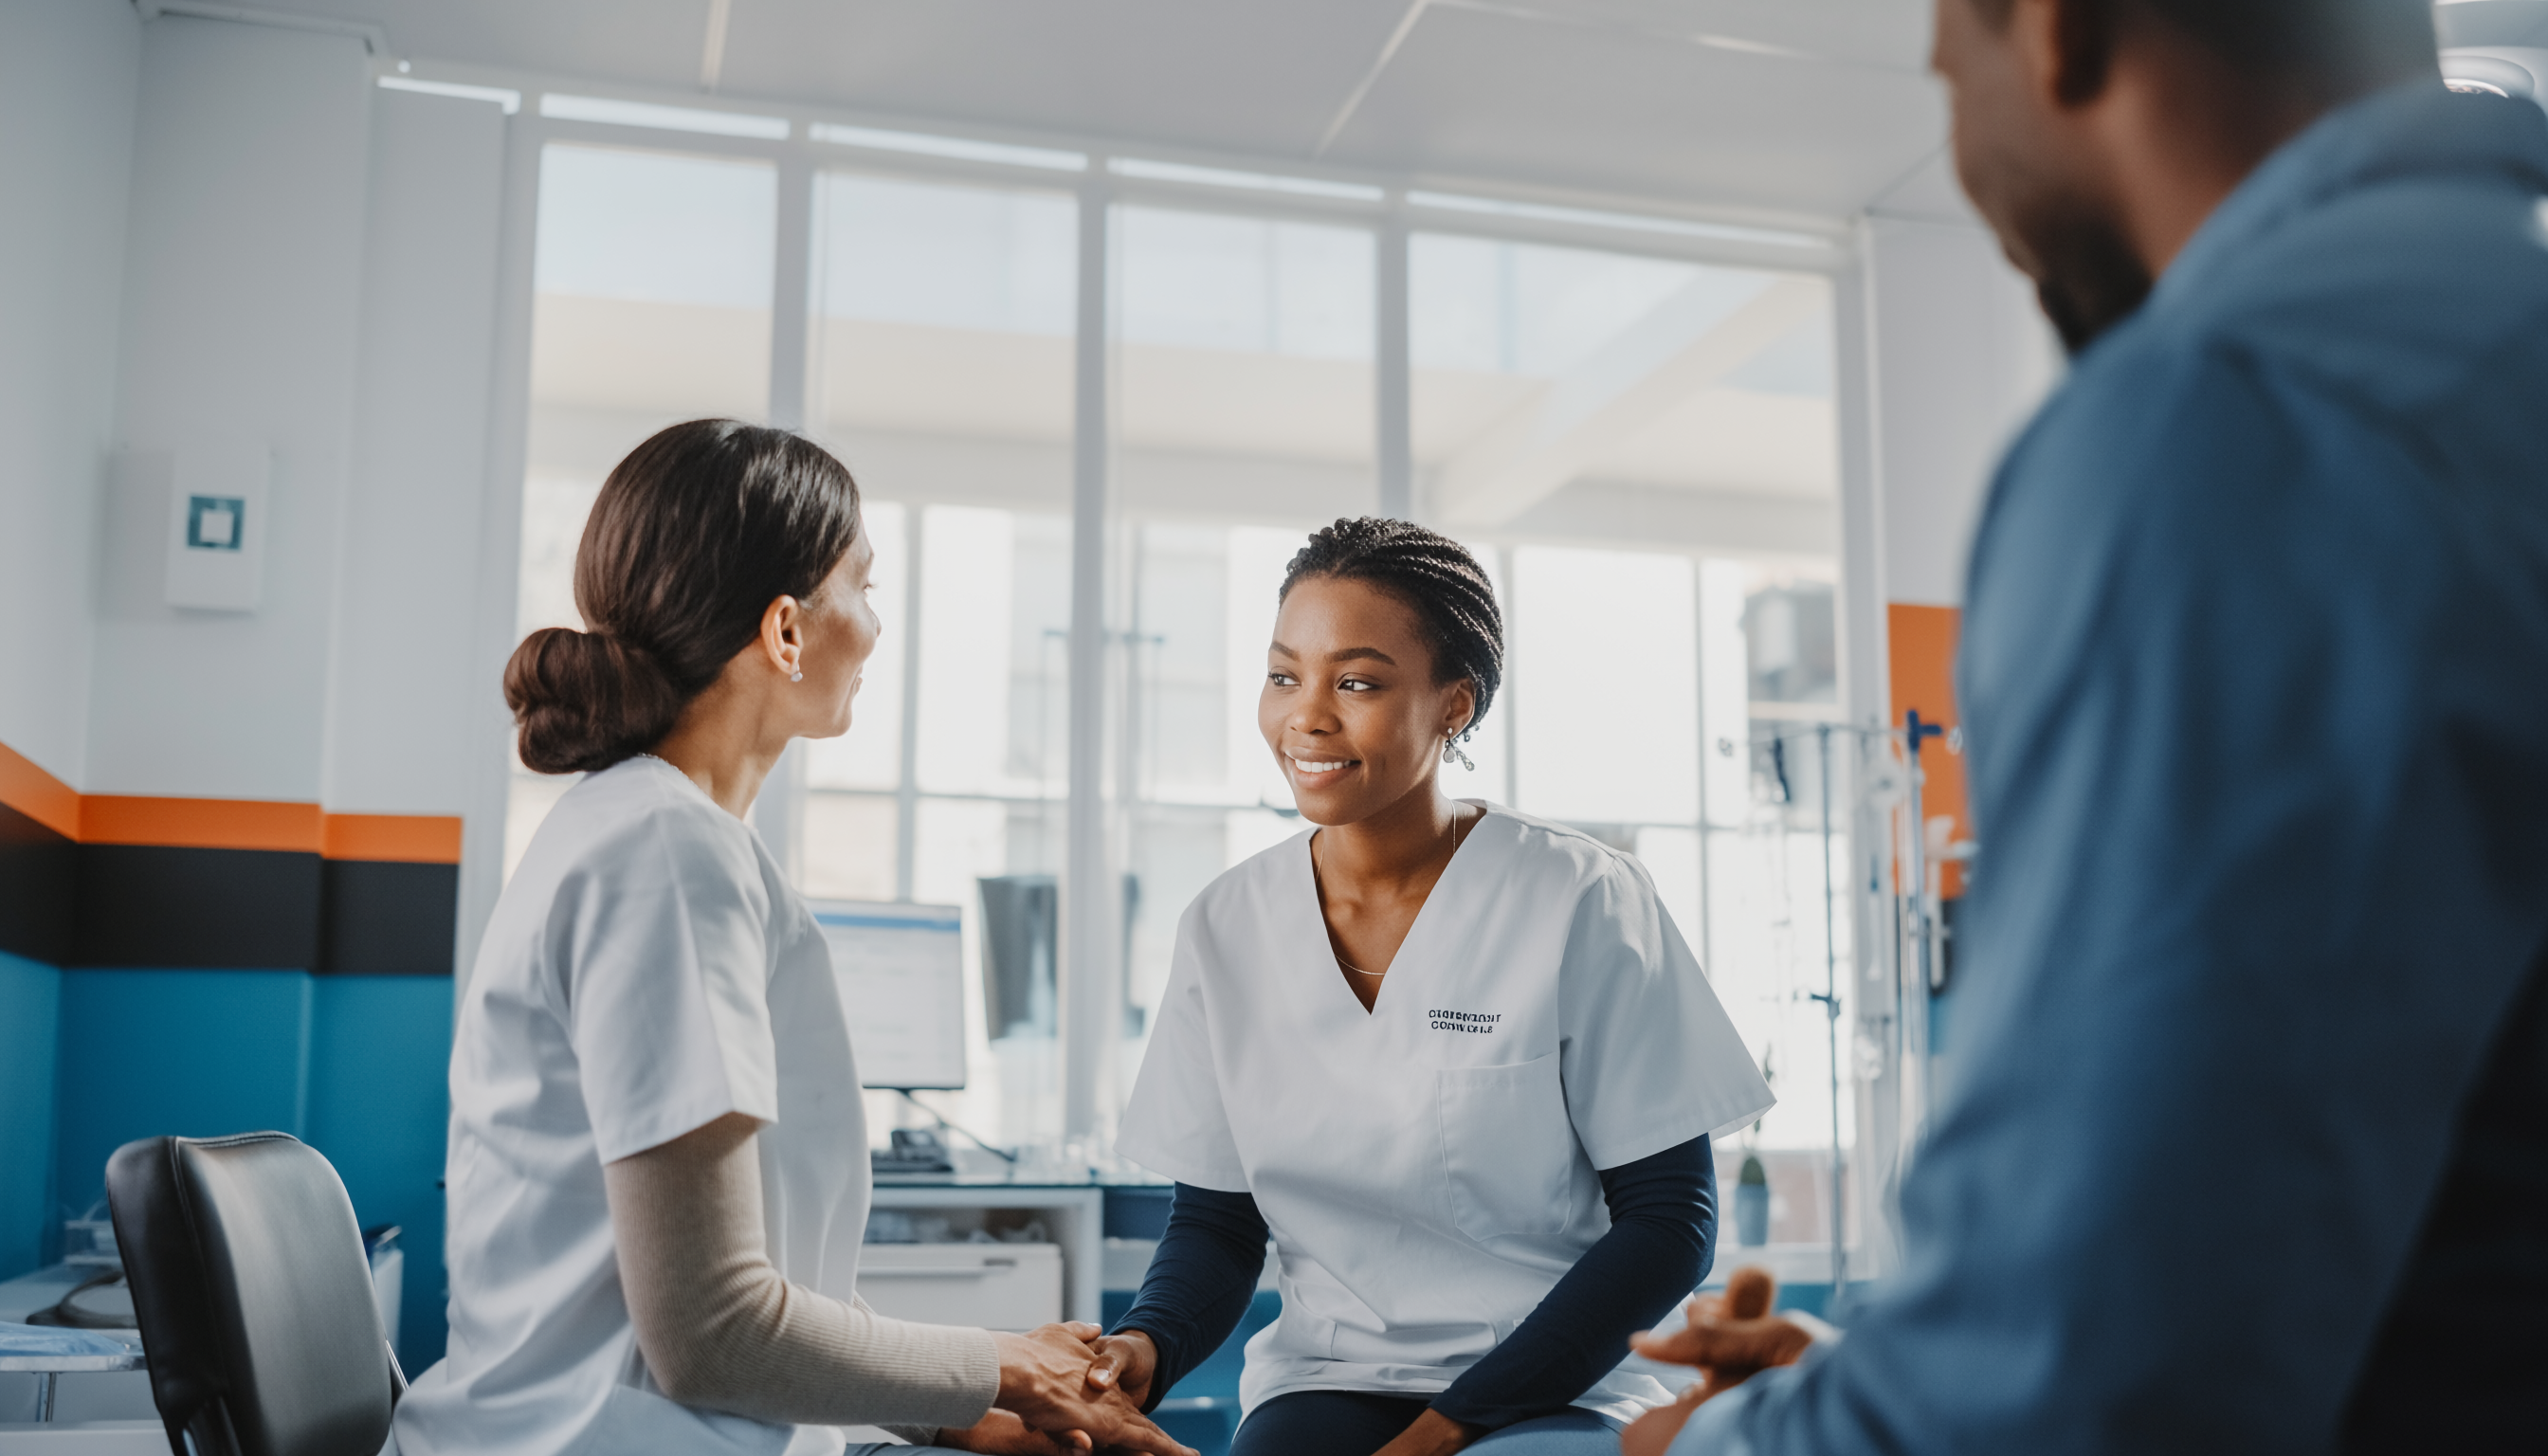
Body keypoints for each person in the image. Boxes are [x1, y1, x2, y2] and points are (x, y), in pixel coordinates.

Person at [1623, 0, 2548, 1451]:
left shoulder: (2226, 420)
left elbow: (2075, 1393)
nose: (1961, 139)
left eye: (1948, 63)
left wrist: (1726, 1448)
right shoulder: (2490, 346)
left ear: (2051, 33)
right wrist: (1862, 1376)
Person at [393, 420, 1191, 1456]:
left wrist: (967, 1419)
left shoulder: (663, 835)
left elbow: (753, 1315)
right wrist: (1005, 1364)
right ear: (785, 631)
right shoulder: (667, 854)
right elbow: (712, 1333)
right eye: (864, 585)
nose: (875, 623)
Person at [1083, 519, 1774, 1456]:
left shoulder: (1580, 898)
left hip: (1564, 1380)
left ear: (1456, 704)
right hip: (1329, 1376)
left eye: (1357, 682)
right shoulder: (1226, 926)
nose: (1307, 717)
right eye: (1285, 675)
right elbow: (1218, 1221)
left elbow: (1670, 1220)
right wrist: (1142, 1348)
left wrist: (1451, 1427)